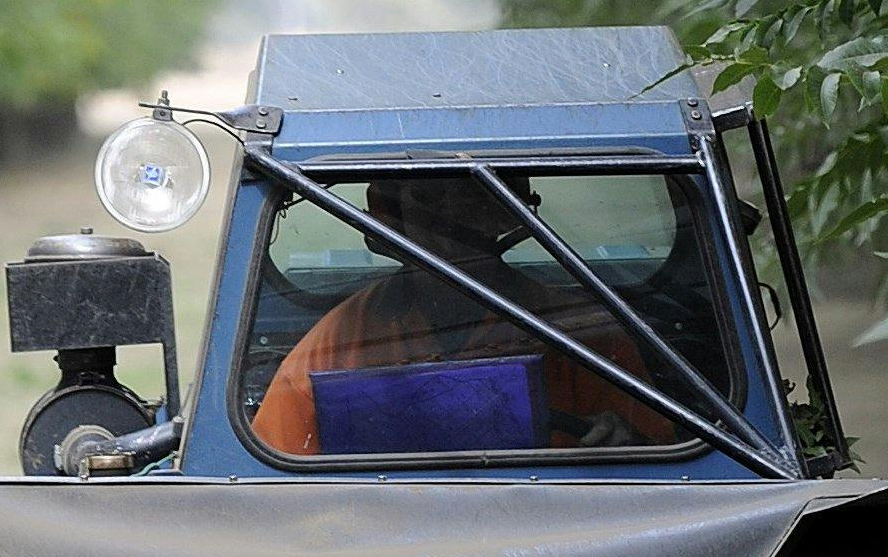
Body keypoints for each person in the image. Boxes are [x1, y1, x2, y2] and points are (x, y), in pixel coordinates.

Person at [249, 169, 678, 458]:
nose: (452, 214)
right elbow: (277, 475)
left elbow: (667, 474)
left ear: (503, 209)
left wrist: (625, 444)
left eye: (471, 195)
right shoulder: (336, 343)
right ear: (390, 216)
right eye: (431, 197)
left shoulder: (583, 337)